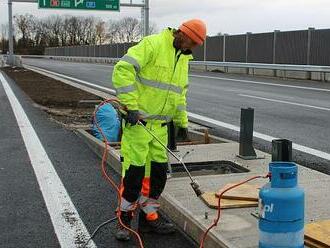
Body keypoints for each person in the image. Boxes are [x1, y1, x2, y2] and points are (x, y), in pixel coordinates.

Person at [112, 19, 207, 241]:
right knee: (134, 176)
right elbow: (123, 69)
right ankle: (124, 222)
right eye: (191, 43)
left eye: (195, 45)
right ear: (182, 34)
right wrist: (131, 106)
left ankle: (149, 219)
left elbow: (179, 93)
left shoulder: (183, 59)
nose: (191, 48)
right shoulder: (153, 45)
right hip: (139, 124)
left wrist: (182, 122)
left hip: (161, 129)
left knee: (157, 177)